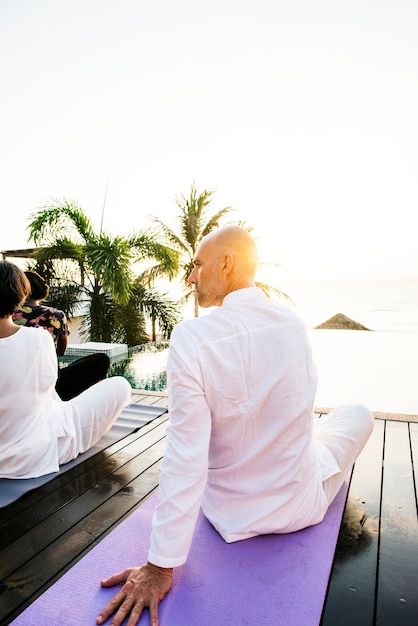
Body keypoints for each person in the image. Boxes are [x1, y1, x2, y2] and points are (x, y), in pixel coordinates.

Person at [96, 225, 374, 626]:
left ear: (226, 264)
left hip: (227, 513)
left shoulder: (192, 338)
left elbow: (185, 456)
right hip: (299, 504)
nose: (191, 276)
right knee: (358, 413)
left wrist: (161, 565)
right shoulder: (293, 325)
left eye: (197, 265)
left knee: (316, 431)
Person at [0, 260, 132, 479]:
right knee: (120, 385)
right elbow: (49, 385)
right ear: (20, 296)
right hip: (35, 454)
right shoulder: (38, 338)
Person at [13, 270, 111, 400]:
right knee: (101, 360)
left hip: (15, 382)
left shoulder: (8, 315)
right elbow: (61, 351)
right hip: (51, 384)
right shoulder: (56, 315)